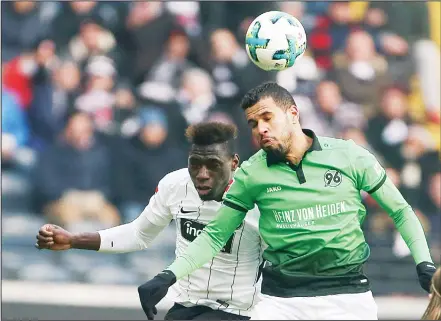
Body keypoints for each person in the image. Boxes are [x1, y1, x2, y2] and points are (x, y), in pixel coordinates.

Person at [136, 82, 436, 320]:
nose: (260, 129)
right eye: (253, 123)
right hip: (280, 301)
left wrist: (424, 263)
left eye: (267, 117)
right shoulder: (252, 172)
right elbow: (215, 235)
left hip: (346, 297)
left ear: (293, 114)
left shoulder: (349, 155)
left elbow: (400, 211)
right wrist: (167, 276)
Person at [36, 122, 263, 320]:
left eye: (213, 164)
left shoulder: (260, 199)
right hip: (186, 307)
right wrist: (74, 240)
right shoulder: (175, 185)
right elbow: (139, 235)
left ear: (234, 164)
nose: (202, 173)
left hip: (238, 313)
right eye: (195, 163)